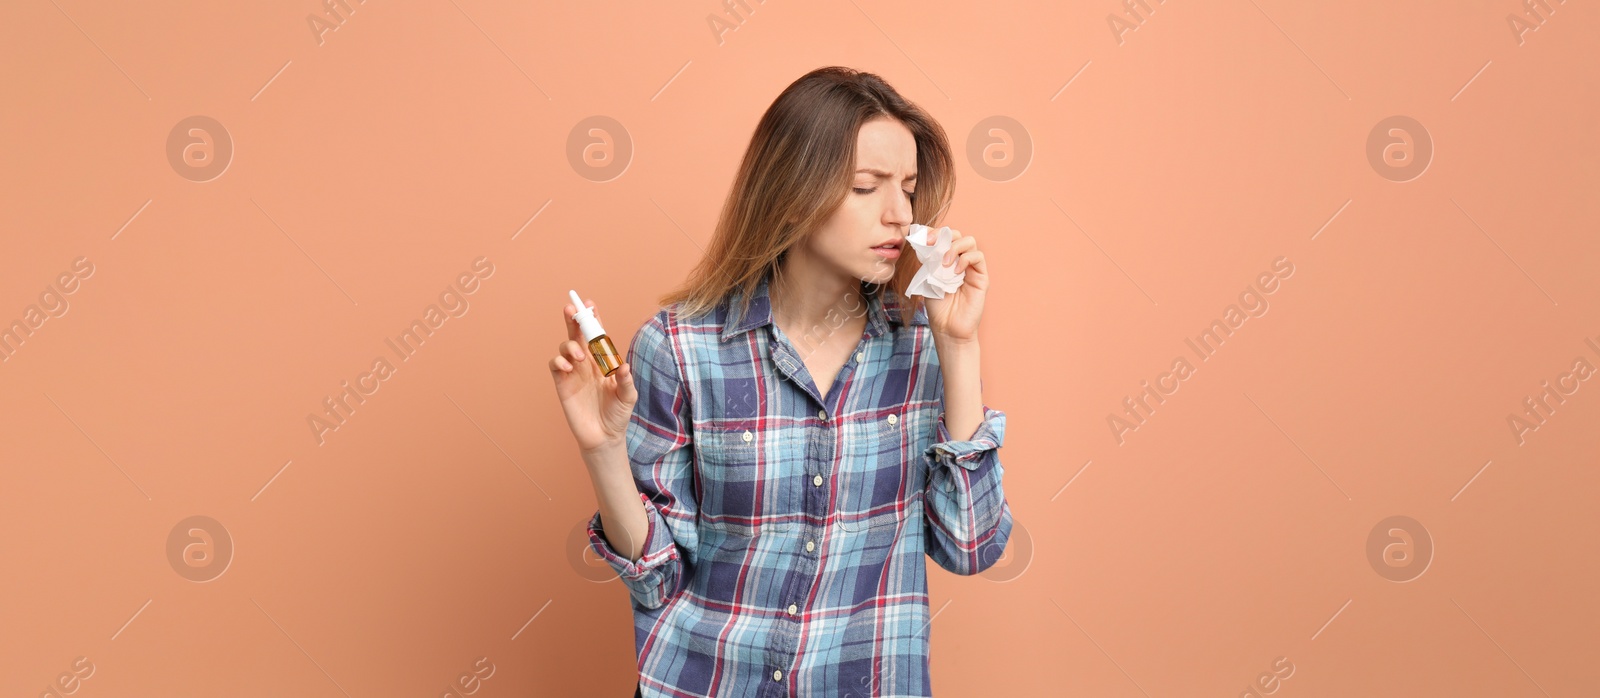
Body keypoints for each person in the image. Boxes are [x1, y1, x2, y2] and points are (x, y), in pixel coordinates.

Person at [550, 66, 1013, 698]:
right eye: (864, 187)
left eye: (907, 188)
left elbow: (972, 547)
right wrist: (602, 450)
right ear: (793, 193)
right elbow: (656, 576)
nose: (900, 215)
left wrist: (958, 349)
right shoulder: (680, 347)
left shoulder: (925, 342)